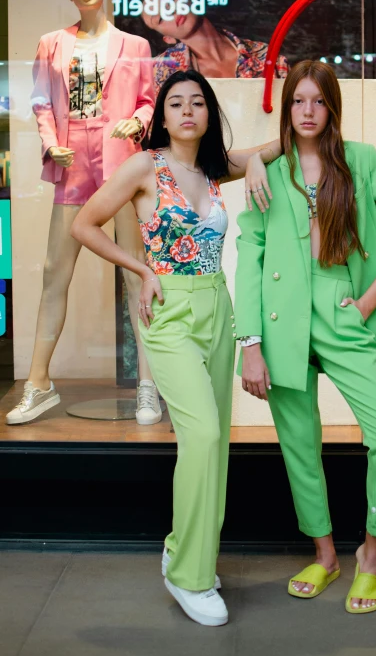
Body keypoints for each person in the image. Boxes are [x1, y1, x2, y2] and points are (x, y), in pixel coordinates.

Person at [70, 69, 279, 627]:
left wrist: (257, 158)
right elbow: (85, 225)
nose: (187, 111)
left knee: (216, 445)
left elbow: (274, 146)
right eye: (176, 104)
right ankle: (186, 575)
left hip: (219, 308)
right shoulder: (146, 166)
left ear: (209, 113)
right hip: (169, 314)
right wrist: (140, 269)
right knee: (203, 434)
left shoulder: (214, 169)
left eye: (197, 103)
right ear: (161, 116)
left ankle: (191, 553)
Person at [235, 60, 376, 614]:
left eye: (319, 101)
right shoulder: (268, 172)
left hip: (343, 310)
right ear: (287, 107)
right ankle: (324, 554)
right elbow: (252, 259)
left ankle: (371, 553)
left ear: (332, 107)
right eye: (298, 101)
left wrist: (367, 302)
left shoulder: (360, 161)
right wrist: (250, 345)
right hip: (279, 320)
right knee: (299, 443)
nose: (308, 111)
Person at [6, 0, 160, 427]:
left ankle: (148, 386)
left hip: (119, 160)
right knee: (56, 270)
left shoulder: (135, 46)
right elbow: (38, 98)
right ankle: (38, 382)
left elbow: (148, 97)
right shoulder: (52, 43)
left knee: (137, 271)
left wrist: (140, 119)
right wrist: (51, 139)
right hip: (72, 157)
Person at [140, 0, 288, 92]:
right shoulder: (162, 72)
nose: (169, 12)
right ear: (168, 39)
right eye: (159, 19)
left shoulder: (264, 55)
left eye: (169, 2)